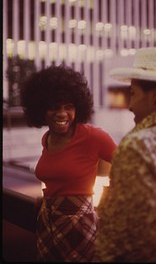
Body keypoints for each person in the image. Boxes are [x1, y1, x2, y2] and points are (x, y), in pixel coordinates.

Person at [93, 47, 156, 262]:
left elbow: (146, 247)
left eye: (132, 93)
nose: (130, 105)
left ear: (155, 95)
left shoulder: (138, 147)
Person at [20, 65, 117, 262]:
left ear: (78, 107)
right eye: (54, 107)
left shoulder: (93, 136)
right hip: (46, 222)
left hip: (79, 226)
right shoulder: (46, 138)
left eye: (68, 107)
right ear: (40, 109)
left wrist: (109, 199)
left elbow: (129, 165)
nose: (62, 113)